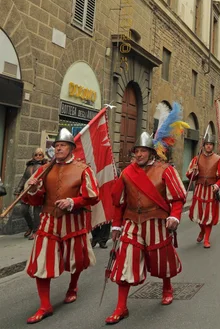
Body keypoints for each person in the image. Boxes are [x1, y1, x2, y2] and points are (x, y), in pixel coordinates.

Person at [105, 132, 186, 324]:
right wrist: (116, 225)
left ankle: (167, 287)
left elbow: (177, 198)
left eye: (143, 151)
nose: (139, 154)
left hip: (157, 221)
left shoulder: (165, 170)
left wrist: (174, 216)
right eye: (137, 151)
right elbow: (119, 203)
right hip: (132, 222)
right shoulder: (127, 173)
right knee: (124, 262)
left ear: (151, 153)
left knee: (162, 259)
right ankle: (121, 307)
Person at [22, 129, 99, 324]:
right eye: (56, 146)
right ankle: (45, 305)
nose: (58, 148)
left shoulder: (83, 169)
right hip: (48, 220)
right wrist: (32, 189)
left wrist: (73, 202)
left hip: (73, 221)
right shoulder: (45, 168)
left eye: (62, 145)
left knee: (76, 259)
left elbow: (93, 196)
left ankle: (73, 286)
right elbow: (36, 199)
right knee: (41, 261)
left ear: (71, 148)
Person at [186, 134, 220, 248]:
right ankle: (202, 231)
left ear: (213, 146)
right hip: (199, 189)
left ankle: (207, 239)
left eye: (210, 144)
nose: (208, 146)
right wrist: (194, 172)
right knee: (198, 214)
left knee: (209, 215)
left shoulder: (218, 159)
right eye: (207, 144)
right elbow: (190, 177)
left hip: (211, 190)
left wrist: (217, 185)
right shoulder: (196, 158)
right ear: (203, 145)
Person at [14, 148, 47, 240]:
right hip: (26, 191)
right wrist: (18, 190)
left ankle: (36, 231)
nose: (38, 156)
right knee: (23, 210)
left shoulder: (45, 166)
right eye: (36, 155)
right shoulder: (29, 166)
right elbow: (24, 178)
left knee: (37, 213)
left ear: (43, 156)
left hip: (38, 191)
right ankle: (30, 226)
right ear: (33, 156)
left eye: (40, 155)